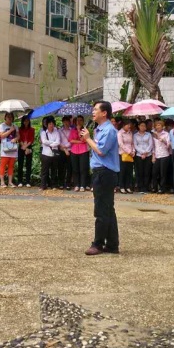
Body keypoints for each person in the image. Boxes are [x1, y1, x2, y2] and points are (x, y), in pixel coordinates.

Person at [81, 101, 119, 256]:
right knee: (108, 209)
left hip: (105, 173)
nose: (93, 112)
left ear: (104, 113)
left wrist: (88, 139)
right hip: (102, 172)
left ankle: (98, 244)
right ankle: (112, 244)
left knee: (102, 210)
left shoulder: (109, 130)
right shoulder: (100, 129)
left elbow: (101, 151)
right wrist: (90, 139)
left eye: (96, 109)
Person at [68, 116, 90, 191]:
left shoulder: (85, 130)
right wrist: (80, 141)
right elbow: (71, 140)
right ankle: (76, 184)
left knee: (83, 168)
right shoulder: (72, 130)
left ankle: (83, 185)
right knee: (75, 168)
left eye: (80, 120)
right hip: (74, 151)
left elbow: (84, 140)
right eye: (77, 120)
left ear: (83, 121)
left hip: (83, 151)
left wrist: (78, 131)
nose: (79, 122)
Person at [39, 116, 61, 190]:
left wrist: (50, 143)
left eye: (52, 124)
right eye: (49, 124)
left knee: (54, 170)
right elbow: (44, 141)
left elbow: (58, 142)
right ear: (47, 125)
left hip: (54, 154)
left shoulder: (56, 132)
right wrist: (53, 143)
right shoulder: (43, 133)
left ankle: (53, 185)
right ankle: (43, 185)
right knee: (44, 171)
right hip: (46, 154)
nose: (51, 125)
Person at [0, 112, 18, 188]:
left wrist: (15, 139)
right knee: (3, 165)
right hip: (5, 148)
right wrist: (10, 130)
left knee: (11, 166)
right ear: (5, 117)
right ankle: (2, 182)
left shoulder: (15, 126)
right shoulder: (2, 125)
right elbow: (2, 136)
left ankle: (10, 182)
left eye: (11, 116)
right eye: (8, 116)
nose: (9, 118)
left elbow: (18, 136)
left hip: (13, 147)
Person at [133, 120, 153, 194]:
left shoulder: (149, 135)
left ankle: (146, 187)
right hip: (139, 155)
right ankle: (140, 187)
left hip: (148, 154)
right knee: (140, 171)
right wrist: (142, 152)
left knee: (147, 171)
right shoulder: (135, 135)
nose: (143, 127)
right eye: (141, 126)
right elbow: (135, 145)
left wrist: (146, 152)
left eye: (144, 126)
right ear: (138, 126)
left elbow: (151, 144)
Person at [152, 119, 172, 194]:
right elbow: (153, 146)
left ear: (162, 126)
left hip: (164, 155)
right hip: (157, 155)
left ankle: (162, 188)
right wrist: (153, 155)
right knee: (154, 172)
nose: (158, 127)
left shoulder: (166, 134)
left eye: (159, 125)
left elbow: (168, 145)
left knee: (163, 173)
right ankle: (154, 187)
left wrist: (163, 140)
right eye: (156, 125)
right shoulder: (154, 135)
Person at [117, 120, 135, 194]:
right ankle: (122, 186)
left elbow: (132, 143)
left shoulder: (130, 133)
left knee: (129, 171)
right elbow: (121, 144)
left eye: (129, 125)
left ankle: (128, 186)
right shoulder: (120, 133)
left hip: (130, 154)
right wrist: (129, 151)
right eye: (128, 125)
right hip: (123, 153)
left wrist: (133, 151)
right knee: (123, 171)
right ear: (123, 125)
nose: (129, 126)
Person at [16, 117, 35, 188]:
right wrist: (23, 146)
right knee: (20, 164)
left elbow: (32, 139)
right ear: (22, 122)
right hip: (21, 147)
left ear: (29, 121)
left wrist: (26, 147)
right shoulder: (19, 129)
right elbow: (19, 139)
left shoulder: (32, 129)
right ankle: (20, 181)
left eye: (27, 121)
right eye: (24, 121)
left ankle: (28, 181)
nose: (26, 122)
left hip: (28, 147)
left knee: (28, 164)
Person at [57, 116, 73, 189]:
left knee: (69, 167)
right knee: (61, 167)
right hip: (61, 150)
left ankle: (68, 184)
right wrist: (64, 148)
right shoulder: (59, 131)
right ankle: (61, 183)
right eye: (65, 121)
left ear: (70, 122)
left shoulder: (72, 130)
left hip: (70, 150)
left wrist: (66, 147)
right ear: (63, 122)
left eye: (68, 121)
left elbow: (72, 140)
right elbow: (58, 141)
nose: (66, 123)